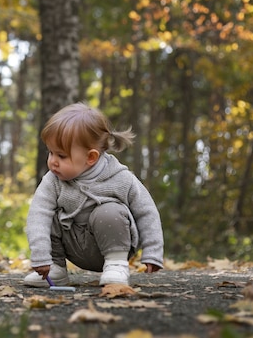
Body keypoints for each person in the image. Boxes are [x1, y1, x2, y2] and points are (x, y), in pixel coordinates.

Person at [24, 103, 164, 287]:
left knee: (109, 210)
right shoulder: (52, 181)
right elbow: (38, 215)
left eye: (61, 156)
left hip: (113, 244)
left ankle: (116, 265)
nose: (53, 162)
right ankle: (55, 269)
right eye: (51, 153)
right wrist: (41, 256)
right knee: (45, 214)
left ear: (91, 157)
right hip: (74, 247)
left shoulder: (121, 178)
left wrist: (153, 251)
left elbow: (146, 211)